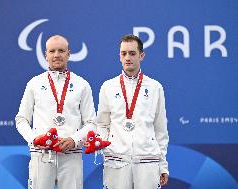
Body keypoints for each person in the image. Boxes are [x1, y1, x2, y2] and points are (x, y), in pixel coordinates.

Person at [15, 35, 96, 189]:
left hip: (71, 156)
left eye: (61, 51)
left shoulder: (82, 85)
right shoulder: (34, 83)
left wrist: (74, 139)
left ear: (69, 54)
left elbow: (92, 123)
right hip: (42, 155)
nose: (57, 55)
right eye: (52, 51)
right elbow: (21, 119)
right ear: (46, 55)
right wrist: (34, 139)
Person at [97, 34, 169, 189]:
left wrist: (162, 165)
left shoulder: (155, 87)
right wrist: (104, 147)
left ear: (141, 55)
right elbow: (102, 124)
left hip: (147, 162)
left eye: (132, 53)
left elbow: (160, 131)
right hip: (117, 161)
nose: (127, 57)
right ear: (119, 57)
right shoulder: (108, 87)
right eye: (124, 54)